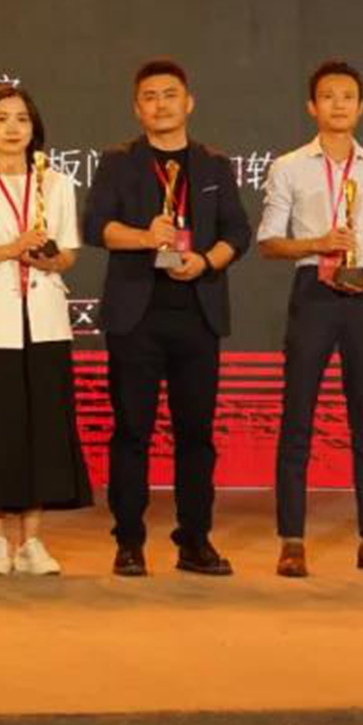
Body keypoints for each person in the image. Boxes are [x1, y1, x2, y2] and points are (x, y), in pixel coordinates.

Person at [256, 60, 363, 577]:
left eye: (348, 96)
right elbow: (269, 241)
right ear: (312, 107)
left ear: (361, 107)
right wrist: (318, 243)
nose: (338, 104)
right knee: (298, 418)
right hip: (313, 292)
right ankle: (292, 541)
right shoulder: (290, 166)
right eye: (328, 96)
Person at [82, 58, 250, 578]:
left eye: (170, 94)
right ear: (137, 108)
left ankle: (194, 541)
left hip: (198, 314)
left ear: (189, 102)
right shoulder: (119, 162)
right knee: (132, 432)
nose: (161, 104)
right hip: (136, 316)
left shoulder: (214, 165)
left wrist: (205, 261)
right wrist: (143, 237)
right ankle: (129, 542)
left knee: (195, 435)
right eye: (150, 96)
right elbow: (95, 226)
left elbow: (238, 233)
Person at [0, 84, 91, 576]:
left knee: (42, 431)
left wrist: (46, 256)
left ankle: (33, 542)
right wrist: (13, 248)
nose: (12, 128)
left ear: (34, 129)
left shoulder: (57, 184)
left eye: (22, 119)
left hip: (43, 322)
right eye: (1, 119)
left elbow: (67, 256)